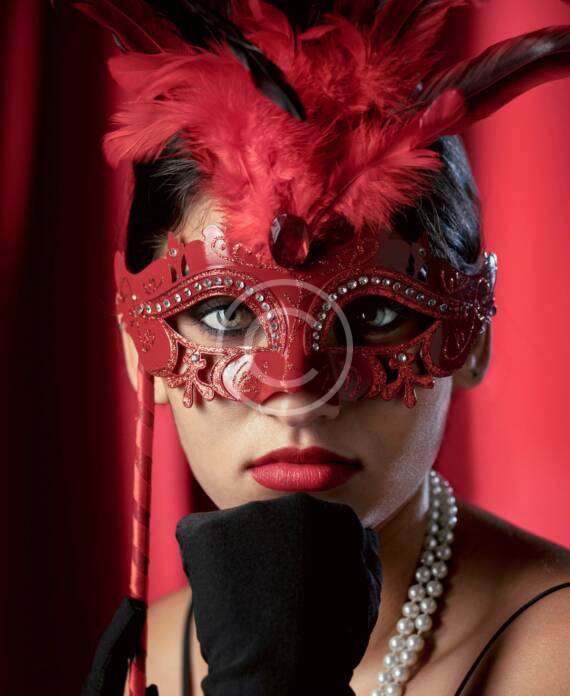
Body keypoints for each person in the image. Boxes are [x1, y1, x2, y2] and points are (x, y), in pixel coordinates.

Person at [71, 1, 570, 695]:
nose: (299, 390)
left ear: (473, 337)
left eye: (373, 312)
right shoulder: (154, 654)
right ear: (138, 349)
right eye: (225, 312)